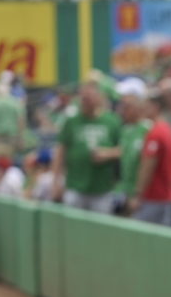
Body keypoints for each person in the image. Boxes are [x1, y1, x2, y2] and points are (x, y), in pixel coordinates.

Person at [51, 82, 121, 213]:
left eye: (90, 97)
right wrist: (56, 182)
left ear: (99, 98)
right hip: (75, 185)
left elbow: (123, 149)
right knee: (73, 227)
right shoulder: (72, 121)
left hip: (102, 189)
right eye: (84, 98)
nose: (87, 101)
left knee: (100, 230)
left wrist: (107, 154)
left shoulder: (111, 121)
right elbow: (60, 152)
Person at [128, 92, 171, 225]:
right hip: (166, 194)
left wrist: (138, 195)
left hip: (154, 196)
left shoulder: (156, 132)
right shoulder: (167, 129)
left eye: (146, 106)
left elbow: (148, 166)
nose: (143, 109)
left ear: (155, 107)